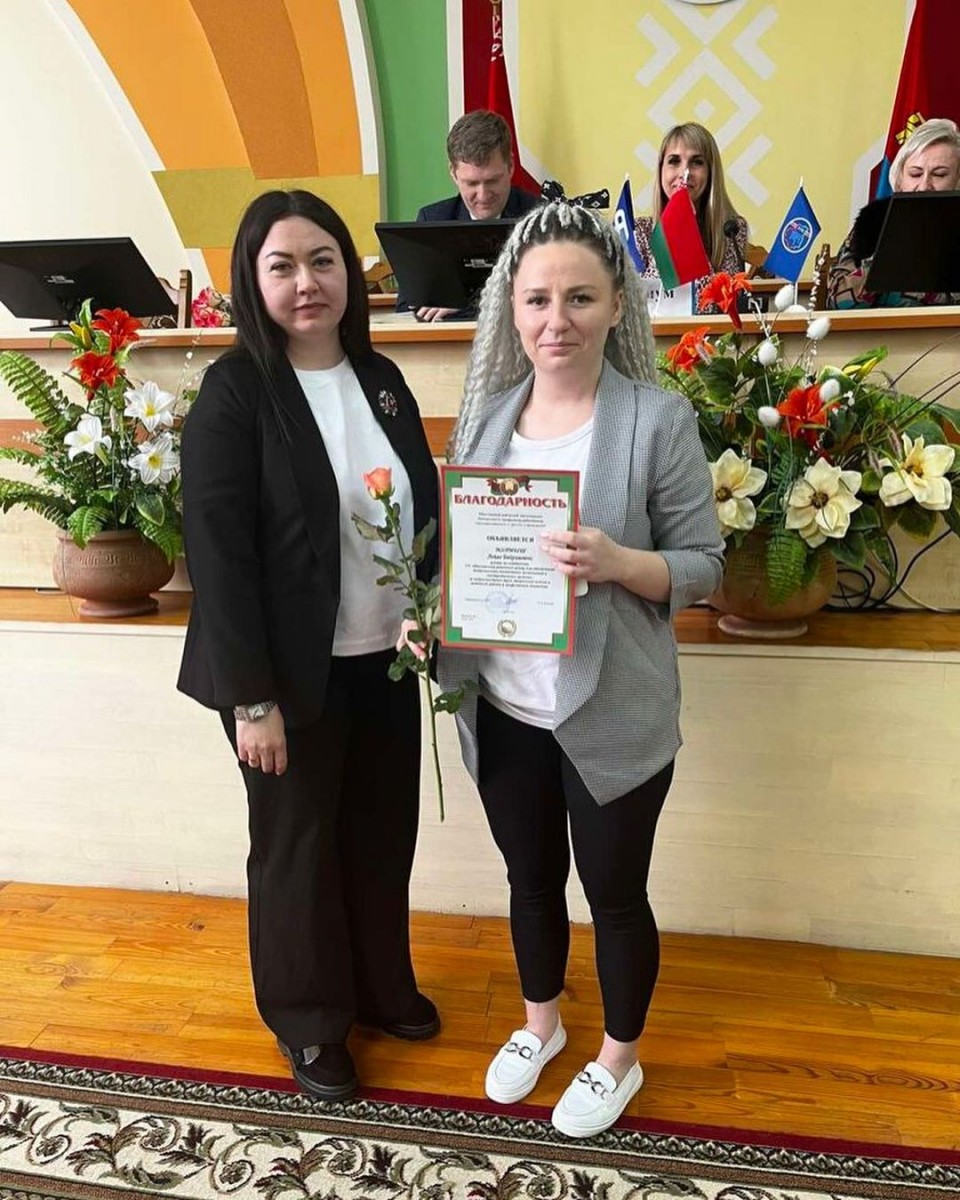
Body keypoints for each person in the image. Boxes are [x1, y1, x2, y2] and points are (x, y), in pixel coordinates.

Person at [437, 202, 724, 1137]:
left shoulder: (656, 418)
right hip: (504, 707)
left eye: (579, 298)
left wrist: (621, 562)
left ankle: (618, 1059)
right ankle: (542, 1026)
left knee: (615, 895)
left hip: (612, 711)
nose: (555, 319)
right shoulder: (488, 419)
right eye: (537, 300)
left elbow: (704, 566)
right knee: (529, 881)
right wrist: (430, 613)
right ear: (511, 310)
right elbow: (464, 557)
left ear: (615, 307)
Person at [177, 190, 440, 1102]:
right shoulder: (236, 391)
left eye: (323, 261)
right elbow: (219, 557)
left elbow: (419, 506)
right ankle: (309, 1019)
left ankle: (378, 987)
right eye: (282, 265)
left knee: (380, 834)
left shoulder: (380, 378)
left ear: (349, 274)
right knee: (296, 849)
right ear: (252, 279)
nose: (306, 282)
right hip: (283, 679)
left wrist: (428, 604)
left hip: (384, 659)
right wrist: (250, 699)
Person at [403, 109, 541, 321]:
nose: (483, 195)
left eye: (492, 181)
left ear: (511, 167)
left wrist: (466, 308)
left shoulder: (541, 218)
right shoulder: (433, 220)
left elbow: (552, 300)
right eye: (471, 183)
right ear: (453, 173)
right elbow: (407, 305)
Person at [827, 117, 960, 308]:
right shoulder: (873, 221)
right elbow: (837, 303)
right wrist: (891, 248)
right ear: (900, 179)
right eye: (915, 174)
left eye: (939, 174)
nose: (924, 186)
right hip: (881, 327)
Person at [634, 122, 747, 310]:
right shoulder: (639, 231)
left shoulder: (731, 229)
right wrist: (673, 229)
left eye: (697, 162)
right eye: (674, 161)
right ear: (661, 170)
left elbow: (716, 307)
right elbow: (644, 306)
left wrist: (688, 232)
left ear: (710, 173)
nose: (684, 173)